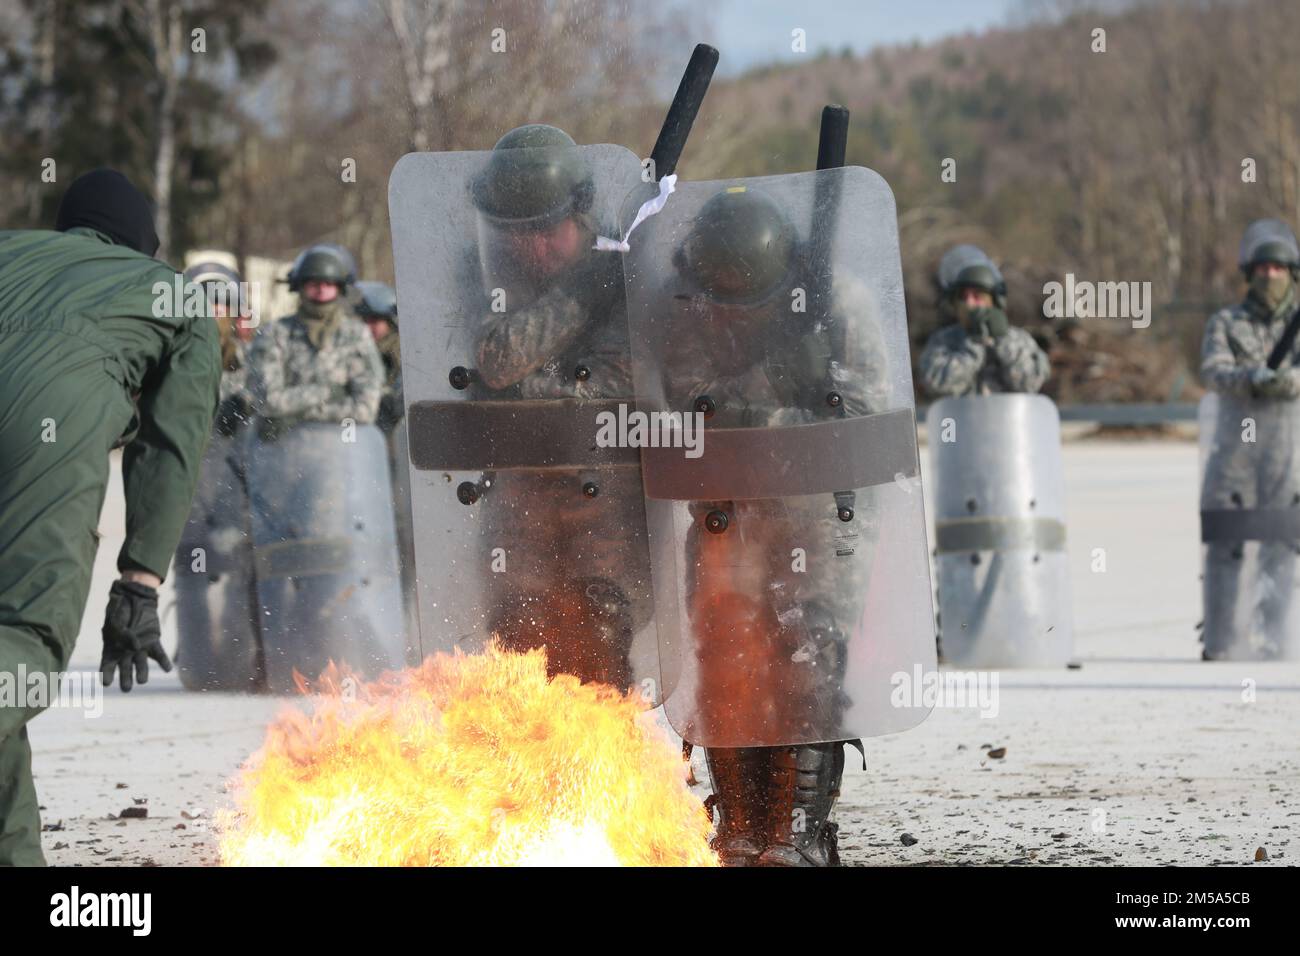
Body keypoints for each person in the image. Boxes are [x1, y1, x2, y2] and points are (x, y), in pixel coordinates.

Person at [649, 184, 897, 867]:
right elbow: (693, 410)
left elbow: (868, 418)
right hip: (729, 504)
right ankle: (741, 824)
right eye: (716, 301)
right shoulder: (682, 307)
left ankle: (798, 830)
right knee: (727, 652)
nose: (725, 314)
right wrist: (779, 390)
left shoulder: (837, 303)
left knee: (808, 656)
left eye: (743, 303)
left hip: (823, 505)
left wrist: (801, 397)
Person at [0, 168, 220, 865]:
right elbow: (172, 444)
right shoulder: (176, 295)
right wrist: (140, 580)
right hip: (40, 434)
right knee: (19, 643)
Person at [463, 124, 653, 689]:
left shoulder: (626, 262)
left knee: (596, 629)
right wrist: (578, 296)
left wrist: (591, 287)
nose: (530, 248)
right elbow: (496, 357)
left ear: (582, 211)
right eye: (513, 233)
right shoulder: (484, 267)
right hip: (519, 485)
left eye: (547, 231)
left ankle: (602, 764)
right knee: (515, 633)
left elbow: (616, 382)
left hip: (604, 488)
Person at [1199, 218, 1300, 660]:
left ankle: (1273, 639)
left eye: (1278, 268)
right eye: (1262, 268)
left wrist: (1290, 381)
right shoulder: (1226, 321)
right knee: (1227, 543)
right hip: (1234, 451)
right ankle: (1221, 640)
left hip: (1288, 450)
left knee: (1280, 544)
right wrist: (1251, 377)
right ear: (1249, 272)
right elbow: (1214, 370)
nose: (1270, 275)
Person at [246, 243, 383, 429]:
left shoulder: (356, 336)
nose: (321, 291)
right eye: (314, 284)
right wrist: (326, 392)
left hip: (345, 448)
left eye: (328, 284)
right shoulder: (275, 333)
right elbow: (267, 401)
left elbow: (365, 409)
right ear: (299, 287)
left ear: (340, 288)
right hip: (283, 449)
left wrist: (296, 413)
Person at [919, 244, 1049, 397]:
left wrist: (1003, 341)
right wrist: (972, 347)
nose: (969, 304)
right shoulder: (944, 342)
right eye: (963, 297)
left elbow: (1031, 384)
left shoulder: (1020, 340)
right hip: (961, 420)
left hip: (1009, 420)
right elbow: (937, 385)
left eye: (977, 296)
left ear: (994, 301)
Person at [353, 280, 403, 432]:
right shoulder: (357, 350)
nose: (368, 327)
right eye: (365, 321)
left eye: (374, 321)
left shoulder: (400, 353)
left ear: (390, 322)